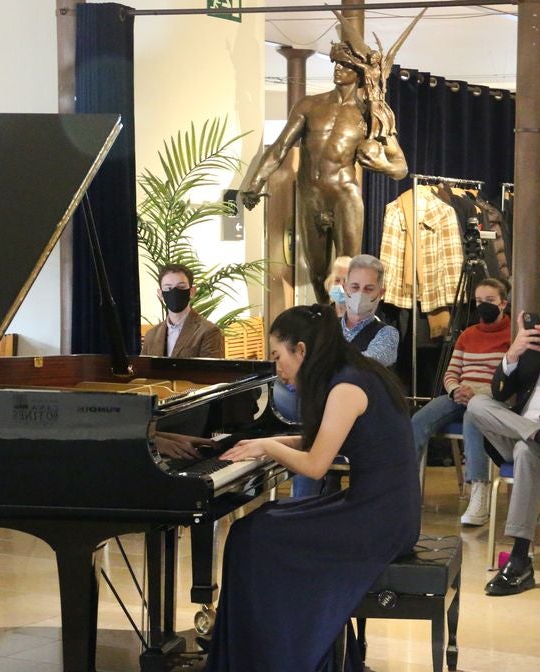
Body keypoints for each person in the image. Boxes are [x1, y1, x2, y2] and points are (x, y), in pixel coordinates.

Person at [185, 304, 419, 672]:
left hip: (379, 520)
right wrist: (267, 444)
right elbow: (324, 439)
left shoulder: (346, 387)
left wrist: (268, 446)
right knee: (259, 524)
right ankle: (267, 656)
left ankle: (276, 663)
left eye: (278, 356)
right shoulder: (355, 373)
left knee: (252, 535)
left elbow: (314, 465)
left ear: (302, 350)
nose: (277, 368)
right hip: (381, 508)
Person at [238, 29, 411, 302]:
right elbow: (281, 146)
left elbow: (400, 167)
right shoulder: (309, 106)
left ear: (360, 72)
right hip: (311, 196)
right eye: (336, 63)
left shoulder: (371, 114)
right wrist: (256, 181)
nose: (338, 69)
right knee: (317, 272)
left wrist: (382, 164)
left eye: (346, 65)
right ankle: (325, 315)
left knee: (349, 270)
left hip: (345, 196)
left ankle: (346, 317)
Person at [274, 254, 400, 497]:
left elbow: (364, 365)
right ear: (345, 287)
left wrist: (315, 368)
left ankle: (307, 499)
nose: (360, 294)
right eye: (355, 287)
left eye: (369, 289)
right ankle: (305, 502)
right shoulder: (325, 329)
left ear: (381, 292)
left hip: (362, 420)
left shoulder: (387, 334)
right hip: (320, 410)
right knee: (283, 392)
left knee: (311, 431)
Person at [410, 278, 512, 526]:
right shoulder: (468, 335)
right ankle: (405, 487)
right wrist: (455, 389)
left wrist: (481, 394)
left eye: (490, 300)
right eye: (479, 301)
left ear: (503, 303)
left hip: (491, 399)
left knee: (473, 417)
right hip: (460, 394)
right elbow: (451, 373)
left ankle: (478, 491)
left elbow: (512, 377)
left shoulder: (512, 335)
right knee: (418, 420)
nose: (484, 305)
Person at [466, 313, 540, 596]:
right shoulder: (531, 349)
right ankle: (535, 433)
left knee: (525, 452)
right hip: (522, 431)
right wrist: (513, 353)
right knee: (477, 404)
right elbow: (500, 394)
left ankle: (519, 558)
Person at [140, 264, 224, 358]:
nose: (174, 292)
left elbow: (210, 367)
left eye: (181, 287)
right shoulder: (151, 335)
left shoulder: (208, 331)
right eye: (168, 288)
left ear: (192, 291)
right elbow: (143, 366)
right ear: (161, 294)